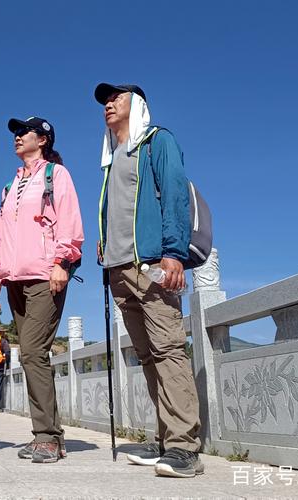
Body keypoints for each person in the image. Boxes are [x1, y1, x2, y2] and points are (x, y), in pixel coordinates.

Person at [95, 83, 204, 478]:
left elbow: (174, 193)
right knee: (147, 356)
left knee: (169, 350)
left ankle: (184, 448)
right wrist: (104, 244)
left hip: (152, 264)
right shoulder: (111, 158)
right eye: (105, 101)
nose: (108, 104)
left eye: (116, 97)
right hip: (119, 270)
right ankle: (165, 440)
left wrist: (174, 252)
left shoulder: (157, 142)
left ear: (137, 104)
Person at [0, 116, 84, 463]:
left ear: (42, 139)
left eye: (23, 132)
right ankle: (48, 436)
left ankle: (47, 436)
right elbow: (2, 234)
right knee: (30, 356)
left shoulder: (55, 175)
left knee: (31, 353)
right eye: (14, 133)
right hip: (14, 280)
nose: (16, 137)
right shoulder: (10, 186)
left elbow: (70, 219)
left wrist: (62, 261)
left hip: (46, 276)